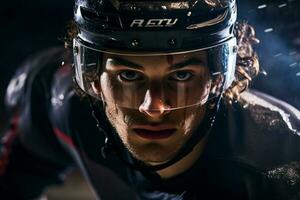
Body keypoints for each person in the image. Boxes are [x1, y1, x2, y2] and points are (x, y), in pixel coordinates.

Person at [1, 0, 300, 199]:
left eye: (181, 76)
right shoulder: (53, 98)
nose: (154, 107)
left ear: (219, 77)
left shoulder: (284, 170)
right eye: (129, 76)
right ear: (91, 77)